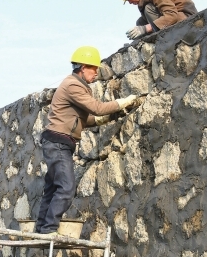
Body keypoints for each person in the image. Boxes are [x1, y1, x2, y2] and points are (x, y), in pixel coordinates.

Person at [34, 46, 138, 235]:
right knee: (66, 187)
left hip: (57, 142)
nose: (96, 73)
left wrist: (104, 119)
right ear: (82, 67)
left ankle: (42, 228)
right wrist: (122, 102)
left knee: (52, 188)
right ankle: (49, 229)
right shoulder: (73, 85)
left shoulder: (76, 86)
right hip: (58, 142)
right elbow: (97, 108)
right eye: (93, 68)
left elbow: (83, 119)